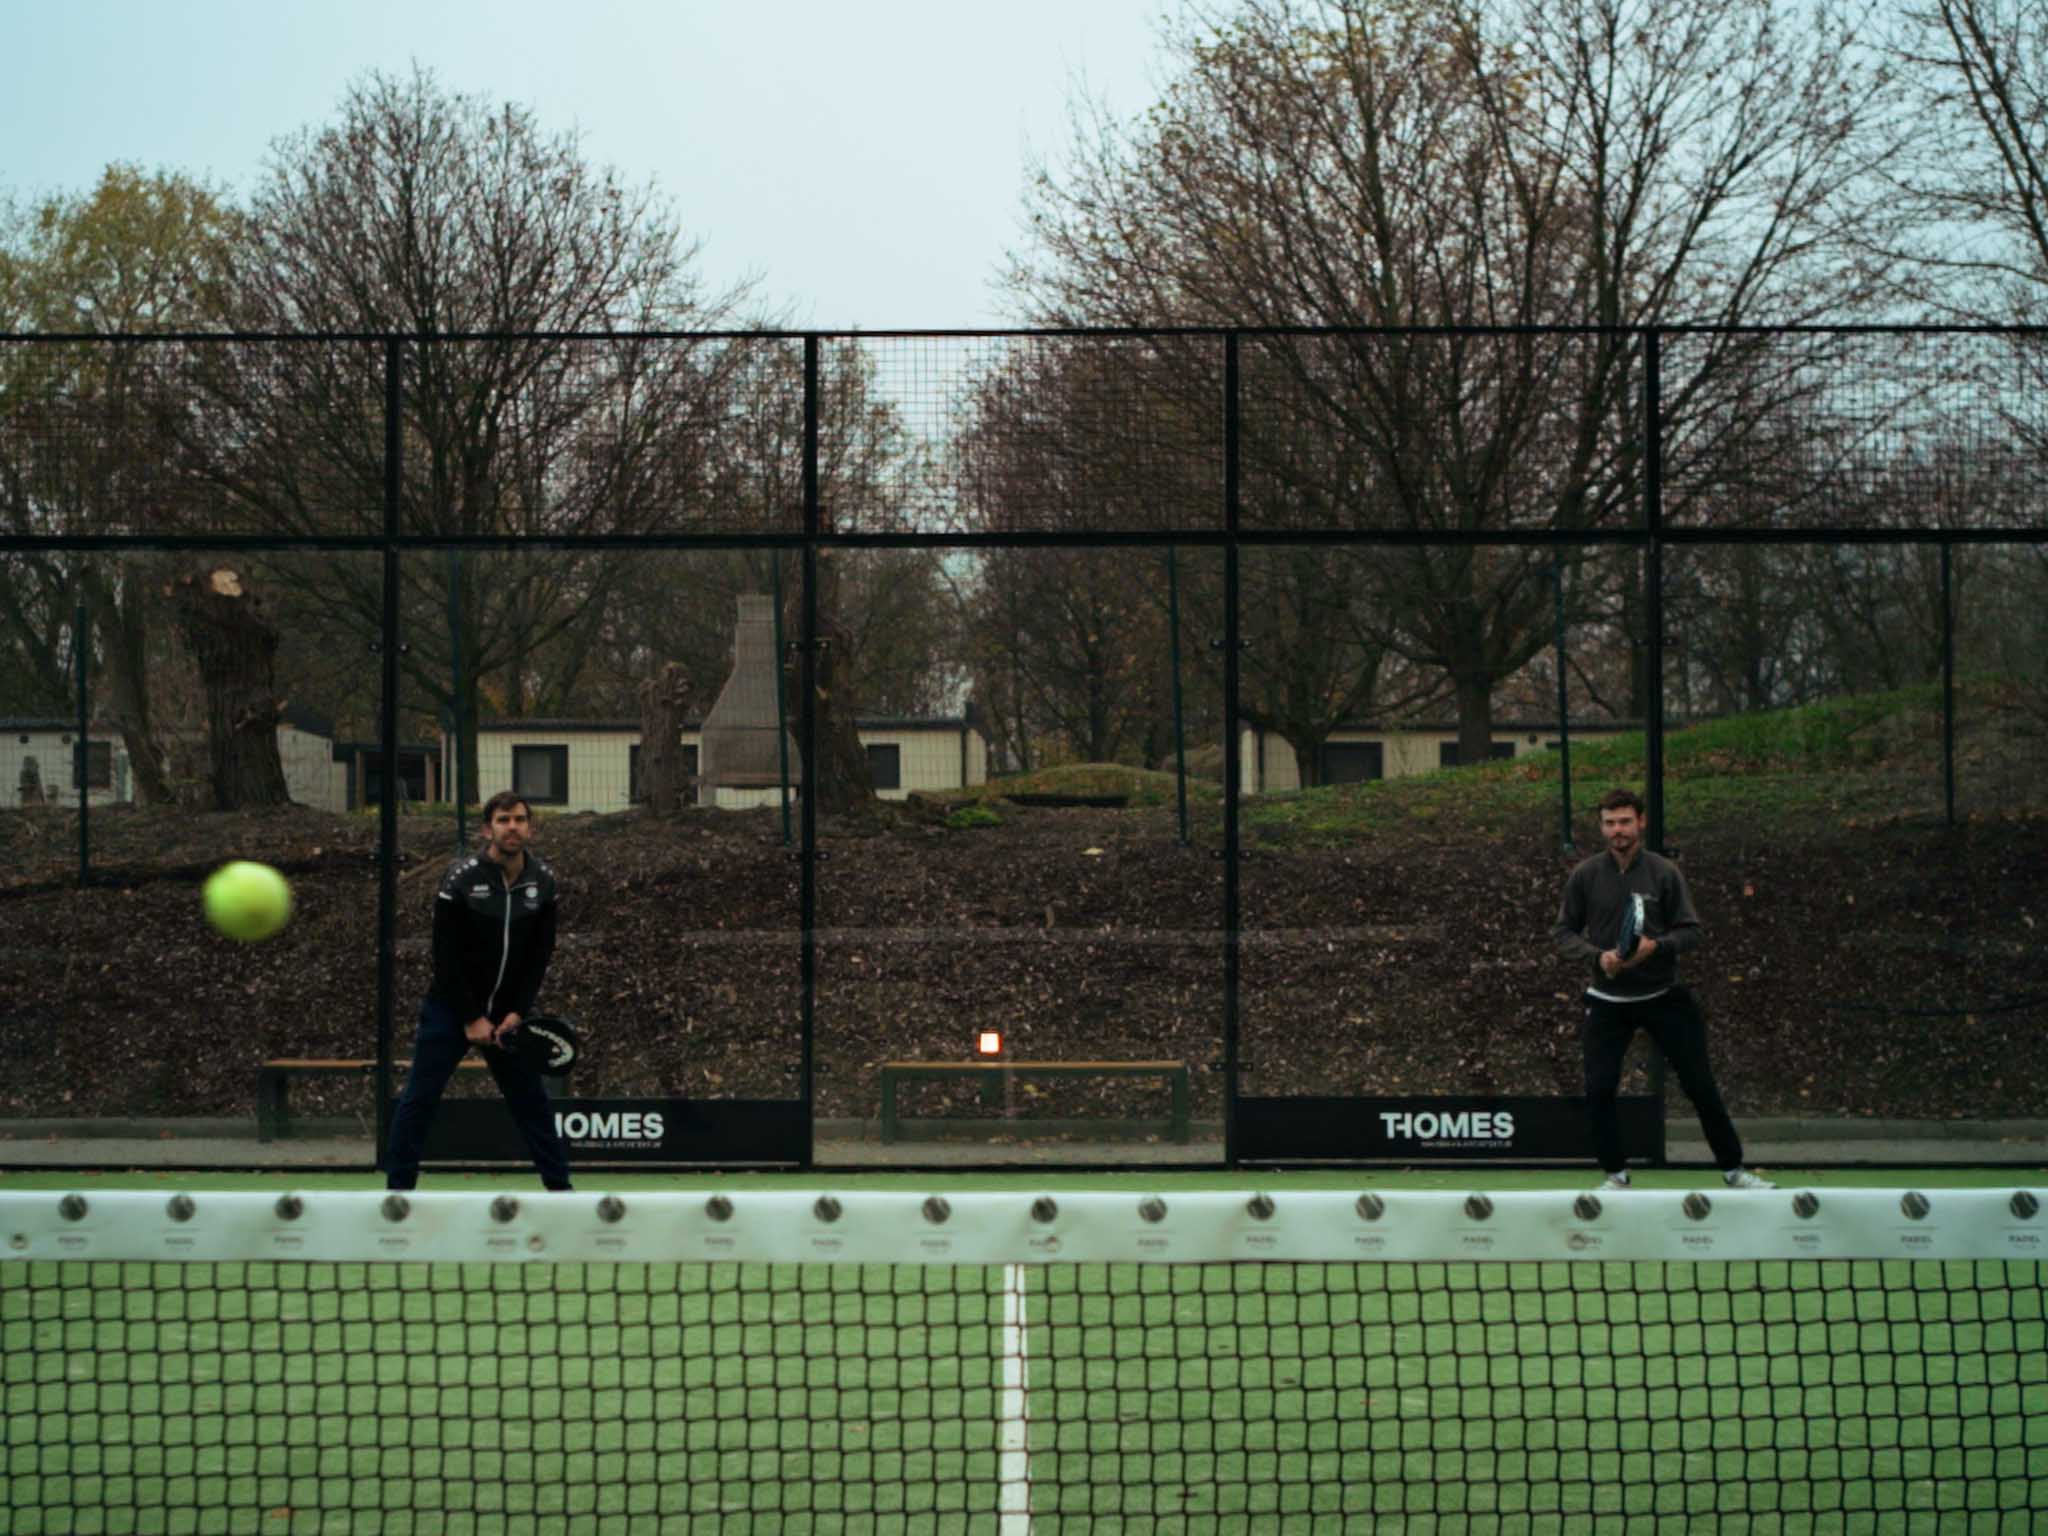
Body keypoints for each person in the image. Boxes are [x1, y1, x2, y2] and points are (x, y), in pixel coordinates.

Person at [1553, 787, 1772, 1192]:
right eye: (1609, 823)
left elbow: (1691, 931)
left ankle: (1734, 1170)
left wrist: (1658, 947)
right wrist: (1596, 956)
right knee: (1598, 1090)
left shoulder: (1664, 873)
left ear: (1641, 822)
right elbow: (1563, 932)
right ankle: (1616, 1176)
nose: (1617, 830)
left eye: (1624, 821)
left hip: (1665, 998)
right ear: (1601, 827)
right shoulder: (1585, 875)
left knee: (1699, 1085)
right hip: (1607, 1001)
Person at [384, 790, 572, 1192]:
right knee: (420, 1099)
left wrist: (516, 1013)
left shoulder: (544, 882)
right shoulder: (461, 879)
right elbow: (444, 957)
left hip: (509, 1016)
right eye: (503, 820)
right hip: (451, 1011)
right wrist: (471, 1017)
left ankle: (562, 1194)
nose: (512, 827)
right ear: (488, 828)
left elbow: (540, 956)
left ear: (530, 828)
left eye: (520, 819)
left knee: (532, 1106)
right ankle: (397, 1196)